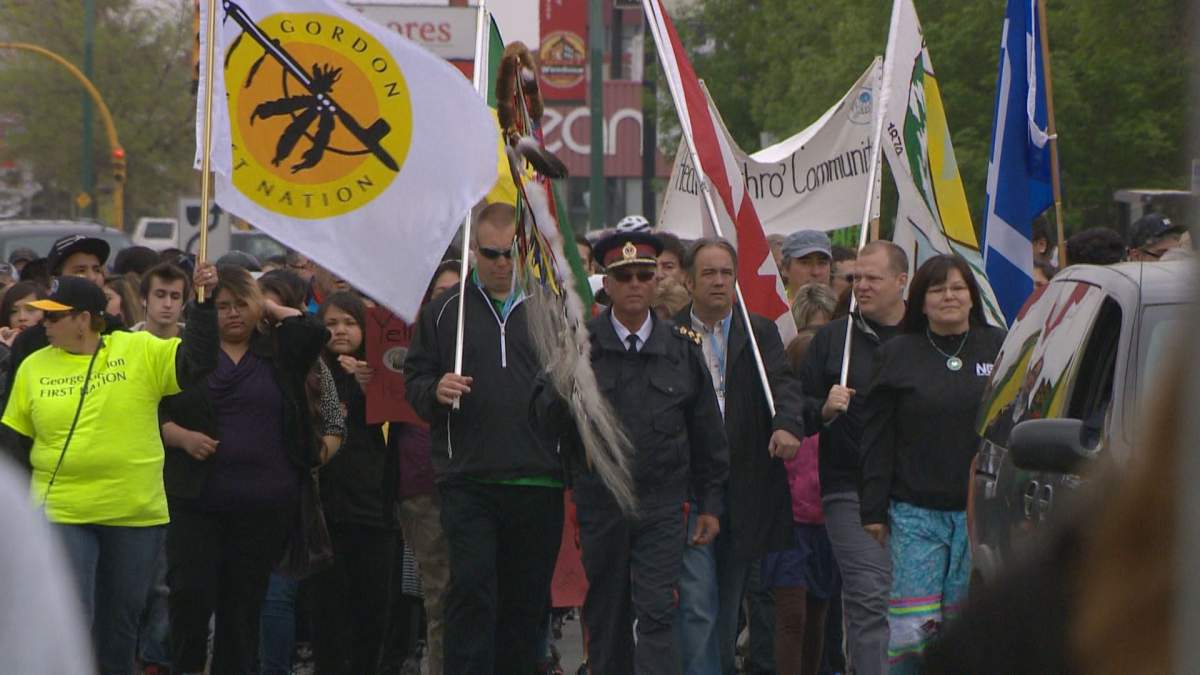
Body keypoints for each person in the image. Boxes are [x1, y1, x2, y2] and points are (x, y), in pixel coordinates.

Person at [0, 264, 219, 675]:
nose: (43, 324)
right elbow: (13, 443)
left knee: (120, 622)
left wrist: (204, 306)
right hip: (61, 511)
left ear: (84, 320)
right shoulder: (33, 366)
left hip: (133, 512)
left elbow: (198, 363)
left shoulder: (138, 349)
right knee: (74, 615)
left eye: (53, 316)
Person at [533, 229, 730, 675]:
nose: (636, 285)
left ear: (656, 280)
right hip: (602, 501)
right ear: (607, 282)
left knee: (658, 611)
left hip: (663, 503)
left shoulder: (680, 349)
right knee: (608, 610)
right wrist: (562, 381)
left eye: (644, 274)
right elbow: (547, 424)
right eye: (624, 277)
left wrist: (711, 505)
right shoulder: (583, 347)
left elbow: (707, 435)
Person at [404, 202, 564, 674]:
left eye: (510, 253)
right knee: (471, 589)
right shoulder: (441, 314)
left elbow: (580, 382)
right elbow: (414, 382)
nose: (501, 263)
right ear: (473, 252)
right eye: (491, 253)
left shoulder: (549, 307)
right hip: (468, 477)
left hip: (538, 477)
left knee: (527, 600)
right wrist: (435, 389)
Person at [160, 266, 332, 675]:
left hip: (263, 506)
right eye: (222, 306)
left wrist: (269, 304)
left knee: (241, 611)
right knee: (190, 599)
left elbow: (313, 331)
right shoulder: (189, 355)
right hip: (197, 501)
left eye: (241, 304)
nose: (233, 314)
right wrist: (182, 437)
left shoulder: (278, 352)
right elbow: (155, 410)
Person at [858, 254, 1006, 673]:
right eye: (937, 289)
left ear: (972, 297)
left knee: (968, 626)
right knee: (915, 630)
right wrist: (872, 508)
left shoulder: (998, 346)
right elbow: (876, 437)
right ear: (920, 301)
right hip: (914, 514)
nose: (948, 297)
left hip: (980, 512)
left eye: (958, 288)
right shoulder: (897, 353)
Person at [673, 238, 805, 675]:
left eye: (726, 273)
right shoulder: (670, 334)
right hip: (691, 486)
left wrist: (787, 424)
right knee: (696, 603)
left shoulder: (759, 331)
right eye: (708, 273)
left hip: (745, 484)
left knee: (729, 603)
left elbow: (783, 385)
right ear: (688, 280)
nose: (718, 282)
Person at [797, 241, 910, 675]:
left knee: (912, 604)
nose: (861, 285)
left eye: (872, 278)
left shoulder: (924, 338)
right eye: (855, 277)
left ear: (902, 282)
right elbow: (797, 409)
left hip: (914, 492)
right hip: (850, 488)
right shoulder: (831, 341)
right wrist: (822, 409)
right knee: (869, 596)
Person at [311, 291, 396, 674]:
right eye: (330, 323)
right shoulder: (311, 373)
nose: (340, 331)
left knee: (372, 608)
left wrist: (369, 388)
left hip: (374, 509)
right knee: (328, 610)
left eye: (349, 322)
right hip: (324, 510)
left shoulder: (380, 372)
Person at [763, 328, 835, 675]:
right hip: (788, 527)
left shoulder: (835, 413)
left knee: (818, 613)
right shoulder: (780, 414)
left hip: (825, 526)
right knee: (793, 616)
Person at [133, 263, 190, 339]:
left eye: (175, 297)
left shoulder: (197, 344)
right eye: (160, 295)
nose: (168, 304)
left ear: (184, 304)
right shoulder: (125, 341)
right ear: (144, 299)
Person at [782, 231, 833, 297]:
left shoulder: (842, 306)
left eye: (822, 263)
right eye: (805, 263)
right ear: (785, 268)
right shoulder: (772, 305)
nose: (815, 272)